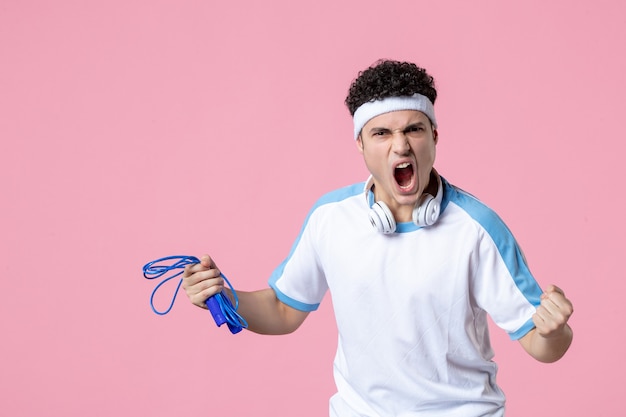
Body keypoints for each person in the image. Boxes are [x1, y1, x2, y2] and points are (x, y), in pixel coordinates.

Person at [182, 59, 574, 416]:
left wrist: (555, 332)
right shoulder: (330, 219)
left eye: (414, 130)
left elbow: (541, 345)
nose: (400, 146)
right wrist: (225, 297)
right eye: (382, 133)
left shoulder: (477, 228)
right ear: (361, 144)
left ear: (434, 135)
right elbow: (284, 310)